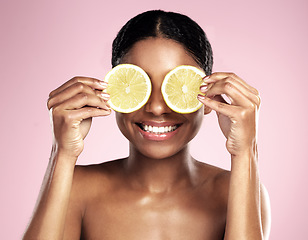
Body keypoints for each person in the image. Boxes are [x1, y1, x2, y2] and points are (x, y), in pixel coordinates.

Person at [23, 10, 271, 240]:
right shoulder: (77, 189)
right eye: (140, 85)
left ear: (208, 99)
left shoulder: (237, 190)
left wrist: (245, 151)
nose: (156, 107)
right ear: (116, 91)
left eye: (175, 87)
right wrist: (62, 153)